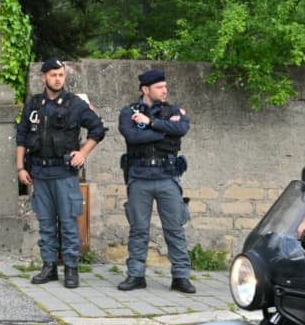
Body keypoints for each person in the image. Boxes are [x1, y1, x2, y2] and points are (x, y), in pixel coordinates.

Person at [15, 59, 106, 290]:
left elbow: (97, 129)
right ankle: (49, 266)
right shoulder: (34, 104)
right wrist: (20, 168)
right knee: (45, 223)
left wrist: (83, 152)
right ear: (43, 77)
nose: (58, 79)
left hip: (64, 173)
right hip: (39, 173)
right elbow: (22, 137)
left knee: (68, 223)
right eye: (53, 75)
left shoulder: (74, 104)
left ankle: (71, 269)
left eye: (61, 75)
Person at [118, 68, 195, 294]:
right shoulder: (129, 111)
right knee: (138, 229)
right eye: (160, 87)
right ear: (145, 89)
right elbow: (132, 136)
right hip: (139, 177)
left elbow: (181, 128)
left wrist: (150, 123)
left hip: (167, 178)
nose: (165, 91)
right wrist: (165, 132)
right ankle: (135, 274)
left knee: (175, 229)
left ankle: (181, 276)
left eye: (165, 87)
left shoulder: (172, 110)